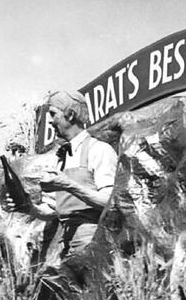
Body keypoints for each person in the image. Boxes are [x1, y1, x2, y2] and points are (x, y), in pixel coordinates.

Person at [7, 90, 118, 259]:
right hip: (66, 246)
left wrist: (68, 185)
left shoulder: (99, 150)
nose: (50, 121)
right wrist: (28, 207)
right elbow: (53, 211)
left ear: (70, 115)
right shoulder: (61, 158)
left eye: (53, 114)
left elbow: (109, 202)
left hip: (95, 244)